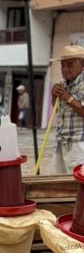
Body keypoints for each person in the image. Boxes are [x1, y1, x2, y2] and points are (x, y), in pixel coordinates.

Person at [50, 44, 84, 173]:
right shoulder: (63, 83)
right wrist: (54, 96)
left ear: (82, 65)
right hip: (61, 141)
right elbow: (58, 111)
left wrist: (67, 97)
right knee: (59, 180)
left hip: (79, 143)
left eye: (69, 65)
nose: (64, 69)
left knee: (77, 180)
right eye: (62, 65)